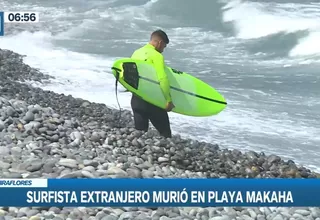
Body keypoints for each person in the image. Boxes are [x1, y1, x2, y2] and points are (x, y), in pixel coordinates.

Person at [130, 29, 175, 138]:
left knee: (140, 136)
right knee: (166, 135)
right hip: (151, 102)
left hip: (136, 100)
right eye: (164, 46)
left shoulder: (137, 52)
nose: (163, 50)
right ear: (160, 42)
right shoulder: (157, 56)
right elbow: (162, 78)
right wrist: (168, 100)